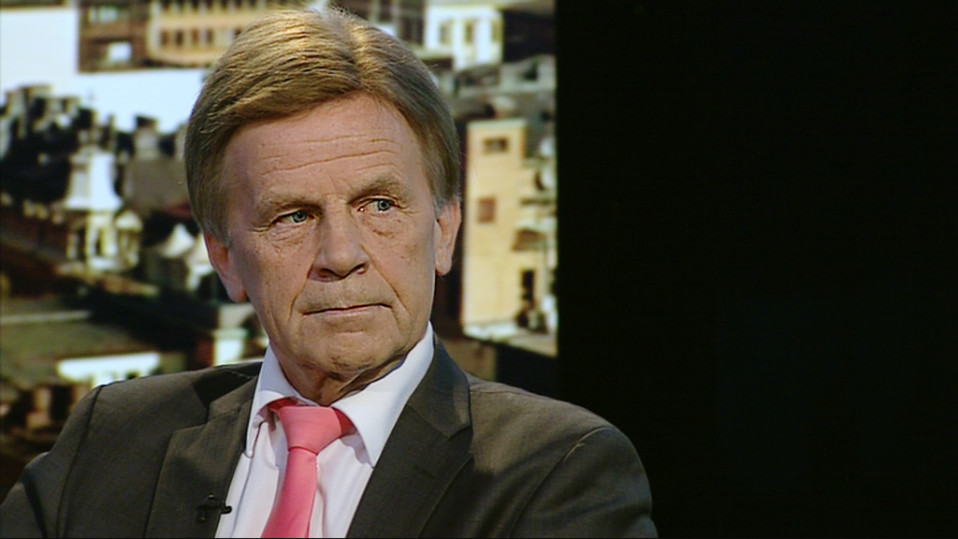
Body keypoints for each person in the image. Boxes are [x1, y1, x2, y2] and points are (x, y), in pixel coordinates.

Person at [0, 8, 656, 538]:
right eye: (293, 215)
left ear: (445, 229)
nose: (341, 255)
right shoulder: (114, 436)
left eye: (380, 205)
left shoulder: (555, 473)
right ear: (224, 257)